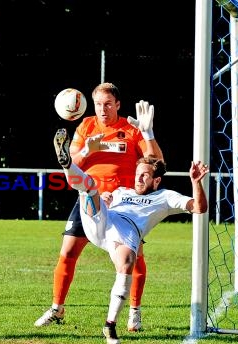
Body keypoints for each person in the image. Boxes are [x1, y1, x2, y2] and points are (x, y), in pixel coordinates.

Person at [52, 127, 209, 344]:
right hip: (102, 220)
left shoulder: (165, 197)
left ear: (156, 181)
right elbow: (106, 202)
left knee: (126, 263)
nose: (139, 178)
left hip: (126, 233)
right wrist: (106, 199)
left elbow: (200, 208)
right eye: (137, 174)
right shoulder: (121, 192)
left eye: (144, 175)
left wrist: (195, 182)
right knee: (90, 188)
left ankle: (110, 324)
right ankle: (67, 163)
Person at [35, 83, 164, 331]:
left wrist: (148, 134)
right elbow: (72, 161)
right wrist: (88, 148)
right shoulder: (87, 126)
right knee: (68, 252)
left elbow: (156, 161)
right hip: (90, 195)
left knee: (134, 259)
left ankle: (134, 312)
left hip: (123, 202)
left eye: (108, 104)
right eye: (98, 104)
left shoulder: (131, 128)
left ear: (117, 105)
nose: (103, 109)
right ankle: (56, 309)